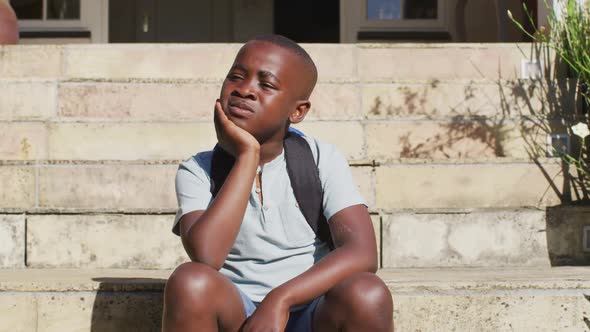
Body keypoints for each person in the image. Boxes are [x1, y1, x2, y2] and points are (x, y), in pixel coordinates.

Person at [162, 34, 394, 332]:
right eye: (236, 77)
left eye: (266, 84)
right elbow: (207, 256)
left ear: (297, 111)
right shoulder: (198, 169)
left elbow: (362, 252)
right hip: (238, 315)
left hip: (311, 310)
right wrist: (248, 156)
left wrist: (281, 299)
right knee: (189, 281)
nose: (245, 90)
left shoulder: (320, 158)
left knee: (367, 292)